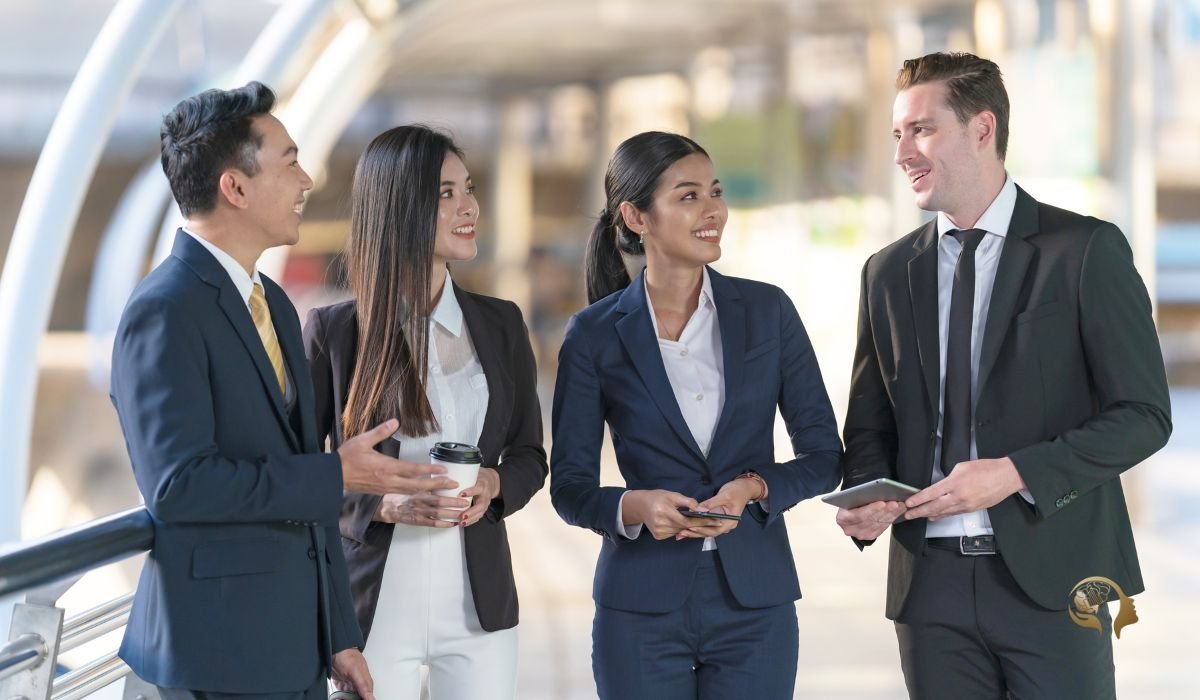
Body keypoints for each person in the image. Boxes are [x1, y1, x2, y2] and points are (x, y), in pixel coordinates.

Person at [837, 52, 1172, 699]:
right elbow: (871, 420)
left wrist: (1016, 474)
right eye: (897, 134)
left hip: (1056, 580)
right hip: (929, 591)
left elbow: (1144, 416)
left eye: (921, 129)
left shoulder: (1083, 252)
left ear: (982, 129)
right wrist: (866, 494)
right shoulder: (887, 272)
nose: (903, 151)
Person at [111, 83, 455, 700]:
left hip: (292, 647)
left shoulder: (269, 302)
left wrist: (339, 634)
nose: (308, 179)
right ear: (234, 188)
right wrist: (337, 474)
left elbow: (296, 483)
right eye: (290, 160)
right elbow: (178, 486)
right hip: (214, 656)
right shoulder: (164, 311)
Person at [550, 131, 842, 699]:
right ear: (636, 217)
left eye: (716, 192)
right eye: (688, 197)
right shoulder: (593, 334)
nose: (713, 211)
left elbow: (824, 455)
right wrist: (635, 506)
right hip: (640, 608)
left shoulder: (768, 311)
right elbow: (570, 486)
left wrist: (754, 487)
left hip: (755, 604)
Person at [303, 125, 547, 699]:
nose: (469, 207)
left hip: (478, 607)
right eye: (445, 193)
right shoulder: (333, 335)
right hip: (371, 608)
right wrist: (380, 504)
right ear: (398, 206)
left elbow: (532, 457)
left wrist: (493, 481)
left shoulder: (502, 323)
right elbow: (297, 478)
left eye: (468, 188)